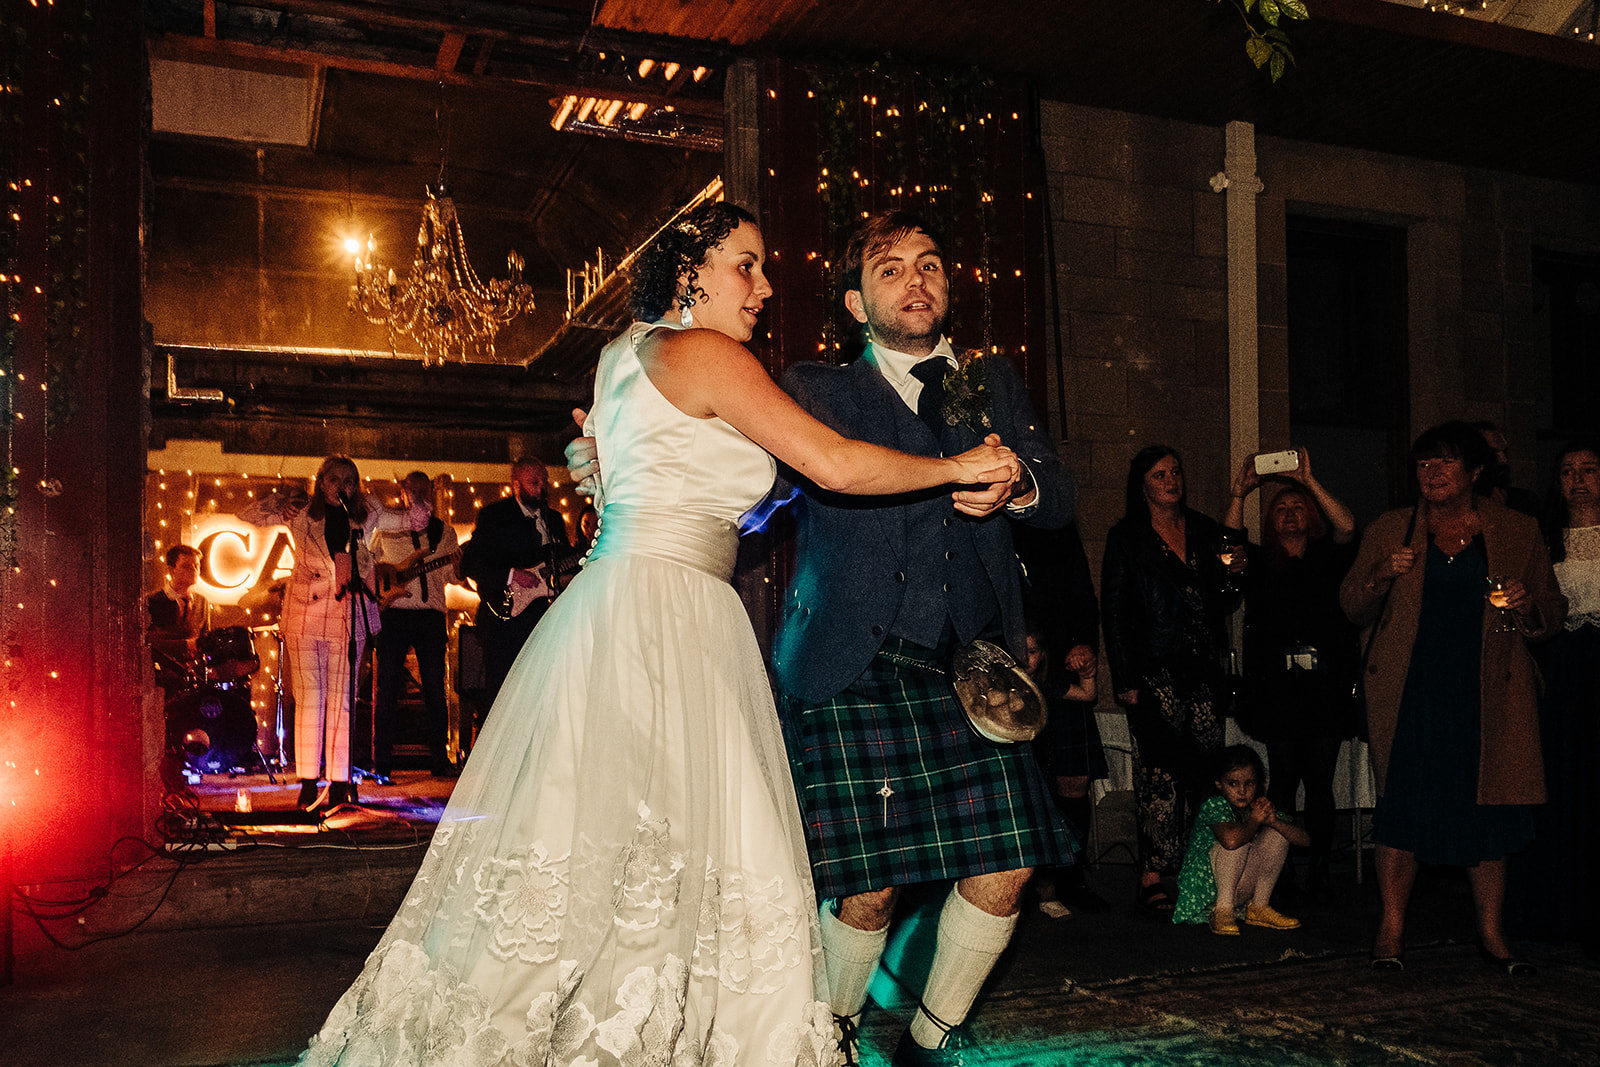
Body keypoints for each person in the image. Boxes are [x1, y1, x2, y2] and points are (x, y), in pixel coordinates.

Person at [301, 201, 1016, 1067]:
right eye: (744, 265)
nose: (761, 285)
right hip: (670, 613)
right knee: (695, 835)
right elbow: (829, 464)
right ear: (691, 272)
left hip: (625, 603)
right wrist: (956, 467)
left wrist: (594, 467)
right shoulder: (711, 353)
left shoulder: (620, 356)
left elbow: (666, 480)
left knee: (609, 839)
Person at [771, 210, 1074, 1066]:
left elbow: (1060, 493)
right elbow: (752, 486)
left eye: (931, 264)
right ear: (855, 301)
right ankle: (825, 1034)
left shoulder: (993, 381)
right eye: (892, 267)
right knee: (867, 888)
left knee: (1009, 865)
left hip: (970, 669)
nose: (916, 280)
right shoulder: (816, 387)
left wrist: (1018, 487)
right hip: (852, 661)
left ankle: (932, 1037)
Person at [1340, 421, 1565, 976]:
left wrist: (1526, 600)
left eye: (1443, 463)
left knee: (1488, 811)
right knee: (1403, 809)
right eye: (1422, 465)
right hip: (1412, 691)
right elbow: (1350, 607)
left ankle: (1492, 934)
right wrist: (1379, 574)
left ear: (1475, 470)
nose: (1431, 474)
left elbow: (1551, 615)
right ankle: (1390, 931)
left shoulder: (1517, 530)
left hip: (1489, 693)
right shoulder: (1393, 529)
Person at [1101, 445, 1242, 915]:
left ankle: (1202, 866)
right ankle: (1153, 874)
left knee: (1204, 769)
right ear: (1142, 485)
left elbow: (1224, 601)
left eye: (1176, 472)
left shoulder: (1203, 529)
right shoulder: (1127, 537)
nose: (1171, 481)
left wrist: (1232, 576)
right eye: (1160, 475)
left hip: (1202, 670)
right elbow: (1115, 612)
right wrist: (1125, 678)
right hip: (1152, 671)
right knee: (1159, 773)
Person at [1224, 448, 1360, 901]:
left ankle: (1321, 866)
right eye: (1280, 509)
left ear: (1310, 514)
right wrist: (1241, 493)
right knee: (1282, 780)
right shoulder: (1260, 562)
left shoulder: (1327, 556)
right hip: (1276, 691)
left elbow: (1347, 526)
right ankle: (1278, 872)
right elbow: (1228, 546)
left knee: (1320, 781)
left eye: (1297, 506)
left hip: (1325, 689)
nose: (1288, 514)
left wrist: (1309, 481)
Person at [1506, 439, 1600, 953]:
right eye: (1568, 471)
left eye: (1589, 469)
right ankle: (1560, 907)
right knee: (1565, 780)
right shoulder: (1542, 539)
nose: (1579, 479)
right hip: (1564, 671)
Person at [1015, 521, 1110, 917]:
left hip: (1055, 664)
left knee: (1073, 779)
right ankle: (1027, 885)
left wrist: (1083, 643)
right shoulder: (981, 508)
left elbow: (1081, 593)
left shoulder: (1058, 519)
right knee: (1024, 784)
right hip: (1009, 667)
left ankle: (1071, 878)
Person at [283, 455, 378, 811]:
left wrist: (414, 500)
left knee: (342, 700)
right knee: (310, 698)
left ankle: (339, 781)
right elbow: (250, 514)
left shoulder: (364, 517)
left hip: (347, 614)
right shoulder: (300, 514)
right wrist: (279, 499)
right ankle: (309, 782)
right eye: (335, 478)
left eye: (350, 480)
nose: (342, 485)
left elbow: (413, 519)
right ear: (321, 481)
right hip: (304, 613)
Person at [458, 456, 572, 717]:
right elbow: (471, 565)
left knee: (540, 691)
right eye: (534, 482)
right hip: (503, 618)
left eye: (544, 481)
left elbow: (563, 561)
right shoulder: (494, 516)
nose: (541, 487)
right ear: (516, 485)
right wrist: (511, 575)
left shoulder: (553, 519)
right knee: (501, 693)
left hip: (540, 617)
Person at [367, 471, 461, 779]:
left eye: (424, 490)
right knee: (387, 689)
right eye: (413, 490)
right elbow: (368, 563)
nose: (419, 495)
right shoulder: (387, 529)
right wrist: (385, 577)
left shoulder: (444, 533)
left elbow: (452, 577)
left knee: (435, 689)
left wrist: (459, 567)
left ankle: (439, 759)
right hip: (393, 614)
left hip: (430, 614)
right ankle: (381, 761)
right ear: (404, 493)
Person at [1172, 745, 1309, 935]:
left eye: (1249, 783)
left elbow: (1305, 841)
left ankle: (1259, 906)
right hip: (1209, 893)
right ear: (1219, 783)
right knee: (1237, 839)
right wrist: (1253, 821)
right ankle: (1222, 910)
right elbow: (1230, 842)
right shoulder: (1215, 804)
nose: (1242, 791)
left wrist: (1273, 821)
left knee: (1277, 835)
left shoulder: (1255, 806)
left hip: (1239, 889)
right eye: (1233, 784)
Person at [1020, 616, 1104, 920]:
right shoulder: (1003, 685)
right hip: (1017, 769)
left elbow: (1088, 694)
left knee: (1053, 821)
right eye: (1018, 649)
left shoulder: (1048, 684)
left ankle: (1050, 890)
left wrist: (1089, 673)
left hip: (1047, 765)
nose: (1025, 657)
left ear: (1043, 654)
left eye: (1032, 651)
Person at [147, 543, 208, 696]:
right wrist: (186, 645)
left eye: (196, 565)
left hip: (193, 679)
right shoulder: (153, 602)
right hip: (162, 680)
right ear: (171, 569)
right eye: (187, 566)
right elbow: (150, 644)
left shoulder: (202, 601)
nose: (194, 570)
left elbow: (204, 636)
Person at [1470, 420, 1541, 517]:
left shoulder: (1525, 501)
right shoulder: (1459, 504)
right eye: (1494, 452)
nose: (1503, 460)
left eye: (1504, 452)